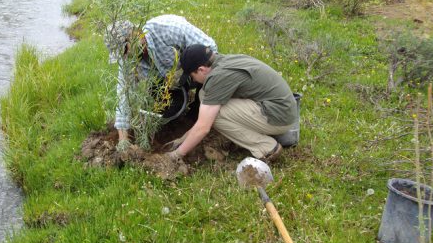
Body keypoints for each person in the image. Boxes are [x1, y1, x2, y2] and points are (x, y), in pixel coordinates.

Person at [104, 15, 218, 151]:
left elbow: (211, 49)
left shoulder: (167, 28)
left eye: (125, 50)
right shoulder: (128, 58)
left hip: (197, 72)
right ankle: (176, 122)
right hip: (169, 81)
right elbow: (123, 95)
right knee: (161, 102)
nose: (126, 57)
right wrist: (123, 139)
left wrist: (186, 70)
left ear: (135, 34)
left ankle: (198, 120)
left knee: (203, 102)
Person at [167, 45, 297, 162]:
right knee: (204, 96)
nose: (193, 80)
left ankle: (266, 147)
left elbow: (203, 127)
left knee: (215, 115)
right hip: (282, 108)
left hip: (279, 116)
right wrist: (182, 139)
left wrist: (176, 154)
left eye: (192, 76)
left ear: (201, 69)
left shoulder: (218, 77)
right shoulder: (224, 61)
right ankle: (257, 133)